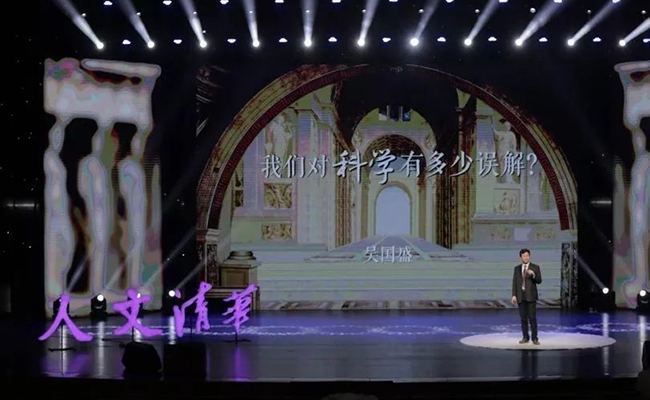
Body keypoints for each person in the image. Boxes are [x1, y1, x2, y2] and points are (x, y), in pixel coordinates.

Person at [511, 249, 542, 345]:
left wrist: (533, 274)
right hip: (521, 296)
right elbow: (515, 282)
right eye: (524, 256)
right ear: (521, 257)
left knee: (532, 318)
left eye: (527, 256)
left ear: (529, 256)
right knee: (523, 318)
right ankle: (525, 337)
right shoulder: (517, 268)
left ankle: (535, 338)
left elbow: (539, 281)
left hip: (531, 296)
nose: (526, 257)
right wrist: (514, 295)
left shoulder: (535, 267)